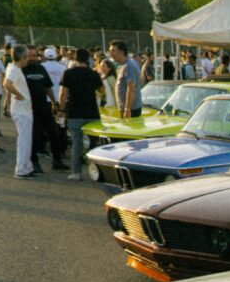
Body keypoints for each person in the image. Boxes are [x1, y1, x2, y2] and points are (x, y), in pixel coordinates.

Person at [59, 48, 102, 181]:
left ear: (75, 59)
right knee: (94, 143)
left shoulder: (68, 73)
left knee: (76, 143)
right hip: (92, 111)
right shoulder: (93, 74)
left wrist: (61, 109)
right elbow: (102, 90)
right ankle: (95, 171)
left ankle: (76, 172)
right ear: (88, 59)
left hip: (74, 112)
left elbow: (63, 93)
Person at [23, 46, 66, 172]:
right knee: (35, 136)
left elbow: (48, 86)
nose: (32, 58)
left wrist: (54, 101)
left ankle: (57, 161)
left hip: (45, 106)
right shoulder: (21, 70)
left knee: (54, 133)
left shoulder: (41, 68)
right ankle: (34, 162)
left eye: (34, 56)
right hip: (30, 108)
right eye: (29, 56)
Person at [3, 44, 36, 178]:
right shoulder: (15, 70)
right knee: (24, 141)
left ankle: (26, 167)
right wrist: (20, 95)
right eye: (26, 57)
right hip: (22, 111)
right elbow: (6, 84)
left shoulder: (12, 67)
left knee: (26, 140)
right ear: (22, 57)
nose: (28, 60)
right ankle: (21, 169)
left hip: (23, 110)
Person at [109, 40, 142, 118]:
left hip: (131, 110)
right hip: (124, 108)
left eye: (113, 51)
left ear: (121, 52)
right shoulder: (121, 65)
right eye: (110, 51)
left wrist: (127, 109)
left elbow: (131, 88)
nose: (111, 54)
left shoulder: (129, 66)